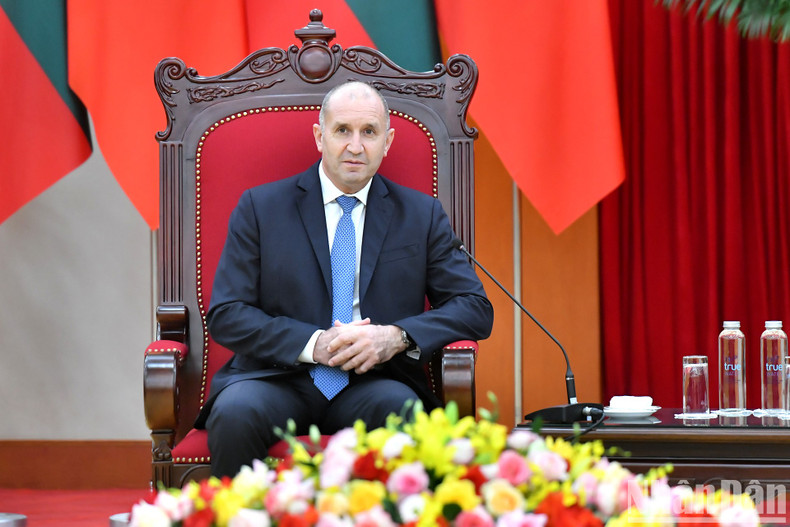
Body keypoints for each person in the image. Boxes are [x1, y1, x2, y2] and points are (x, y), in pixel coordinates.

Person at [197, 81, 494, 477]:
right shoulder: (261, 208)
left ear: (387, 142)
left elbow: (475, 308)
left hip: (374, 381)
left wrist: (396, 337)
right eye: (342, 131)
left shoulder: (420, 215)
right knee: (235, 412)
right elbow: (228, 314)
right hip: (277, 376)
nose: (355, 146)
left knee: (405, 415)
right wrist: (313, 344)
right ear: (320, 136)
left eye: (369, 132)